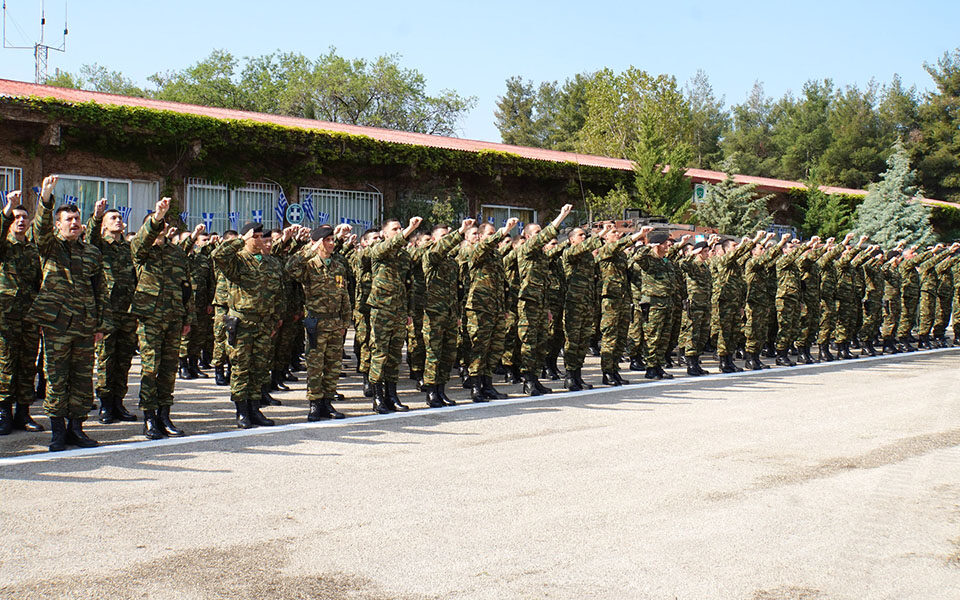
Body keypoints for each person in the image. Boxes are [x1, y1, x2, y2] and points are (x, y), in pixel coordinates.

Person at [27, 175, 113, 451]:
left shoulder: (91, 253)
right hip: (58, 325)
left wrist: (102, 324)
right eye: (68, 220)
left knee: (82, 379)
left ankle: (77, 429)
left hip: (85, 325)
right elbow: (40, 229)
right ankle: (58, 432)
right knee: (56, 377)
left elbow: (100, 290)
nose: (74, 223)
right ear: (58, 224)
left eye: (77, 219)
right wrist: (46, 197)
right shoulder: (50, 247)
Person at [130, 198, 196, 439]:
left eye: (162, 224)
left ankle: (164, 415)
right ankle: (149, 417)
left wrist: (188, 318)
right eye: (156, 224)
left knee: (169, 369)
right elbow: (141, 241)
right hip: (150, 318)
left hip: (174, 317)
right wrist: (157, 217)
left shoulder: (176, 252)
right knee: (150, 368)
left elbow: (186, 286)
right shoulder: (142, 250)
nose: (161, 227)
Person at [212, 221, 282, 428]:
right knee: (241, 368)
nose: (260, 241)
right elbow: (218, 255)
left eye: (262, 237)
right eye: (256, 237)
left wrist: (275, 319)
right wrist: (240, 240)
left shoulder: (271, 263)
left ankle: (254, 408)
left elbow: (278, 293)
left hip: (264, 323)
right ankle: (241, 411)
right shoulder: (237, 261)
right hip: (242, 322)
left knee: (259, 368)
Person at [285, 224, 351, 420]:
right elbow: (289, 268)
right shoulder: (309, 265)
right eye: (327, 240)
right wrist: (309, 249)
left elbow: (344, 295)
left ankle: (327, 402)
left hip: (335, 323)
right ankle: (314, 403)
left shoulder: (338, 266)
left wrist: (345, 321)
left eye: (332, 240)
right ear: (318, 243)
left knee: (333, 366)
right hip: (317, 323)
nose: (331, 244)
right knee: (315, 366)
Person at [85, 198, 139, 424]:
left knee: (124, 359)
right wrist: (97, 216)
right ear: (104, 225)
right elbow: (90, 237)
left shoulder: (128, 248)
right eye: (113, 218)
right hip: (107, 312)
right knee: (106, 359)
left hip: (127, 311)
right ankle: (105, 404)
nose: (118, 221)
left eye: (119, 218)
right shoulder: (100, 245)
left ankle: (119, 402)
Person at [515, 203, 573, 395]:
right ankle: (528, 381)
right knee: (529, 343)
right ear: (527, 237)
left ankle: (536, 378)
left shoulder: (541, 257)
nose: (541, 235)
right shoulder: (526, 250)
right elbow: (545, 237)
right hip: (529, 304)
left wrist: (547, 308)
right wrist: (561, 216)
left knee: (541, 343)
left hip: (541, 304)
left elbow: (545, 284)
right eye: (537, 232)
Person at [368, 217, 422, 414]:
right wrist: (410, 229)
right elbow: (390, 245)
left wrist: (408, 311)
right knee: (379, 354)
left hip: (399, 311)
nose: (399, 232)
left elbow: (408, 285)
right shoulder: (378, 250)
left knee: (394, 356)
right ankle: (377, 397)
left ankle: (391, 395)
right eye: (395, 229)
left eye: (400, 228)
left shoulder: (404, 256)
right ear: (384, 233)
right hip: (382, 310)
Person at [0, 190, 43, 435]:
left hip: (29, 316)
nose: (21, 221)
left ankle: (23, 412)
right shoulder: (4, 245)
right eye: (16, 217)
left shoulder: (32, 249)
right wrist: (8, 208)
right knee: (6, 363)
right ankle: (3, 412)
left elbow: (39, 282)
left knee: (28, 364)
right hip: (6, 316)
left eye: (25, 217)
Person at [464, 218, 519, 401]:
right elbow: (484, 247)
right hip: (480, 308)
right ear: (480, 236)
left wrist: (504, 307)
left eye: (494, 233)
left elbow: (501, 284)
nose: (494, 237)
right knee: (479, 347)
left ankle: (488, 385)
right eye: (490, 233)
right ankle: (476, 387)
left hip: (496, 308)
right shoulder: (475, 250)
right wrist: (504, 231)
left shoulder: (496, 255)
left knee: (494, 348)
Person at [421, 219, 472, 407]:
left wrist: (456, 314)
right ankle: (431, 391)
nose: (447, 240)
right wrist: (459, 232)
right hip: (434, 314)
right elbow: (439, 250)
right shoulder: (430, 256)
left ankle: (441, 389)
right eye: (443, 237)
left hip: (450, 313)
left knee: (448, 354)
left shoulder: (451, 262)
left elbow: (455, 290)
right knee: (434, 354)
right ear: (434, 239)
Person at [561, 224, 606, 390]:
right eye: (580, 235)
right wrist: (602, 233)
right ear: (572, 239)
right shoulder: (569, 253)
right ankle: (570, 376)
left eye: (584, 235)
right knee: (572, 341)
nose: (583, 237)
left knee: (583, 340)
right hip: (573, 304)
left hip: (587, 303)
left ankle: (578, 374)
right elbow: (584, 247)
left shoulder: (587, 257)